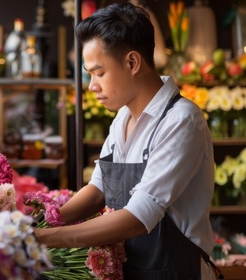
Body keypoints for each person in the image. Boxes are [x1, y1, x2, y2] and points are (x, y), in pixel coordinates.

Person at [33, 3, 222, 279]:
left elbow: (139, 216)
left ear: (132, 62)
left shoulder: (182, 120)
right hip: (137, 269)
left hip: (177, 271)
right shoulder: (122, 117)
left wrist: (43, 239)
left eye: (99, 73)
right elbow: (98, 189)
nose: (92, 86)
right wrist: (43, 220)